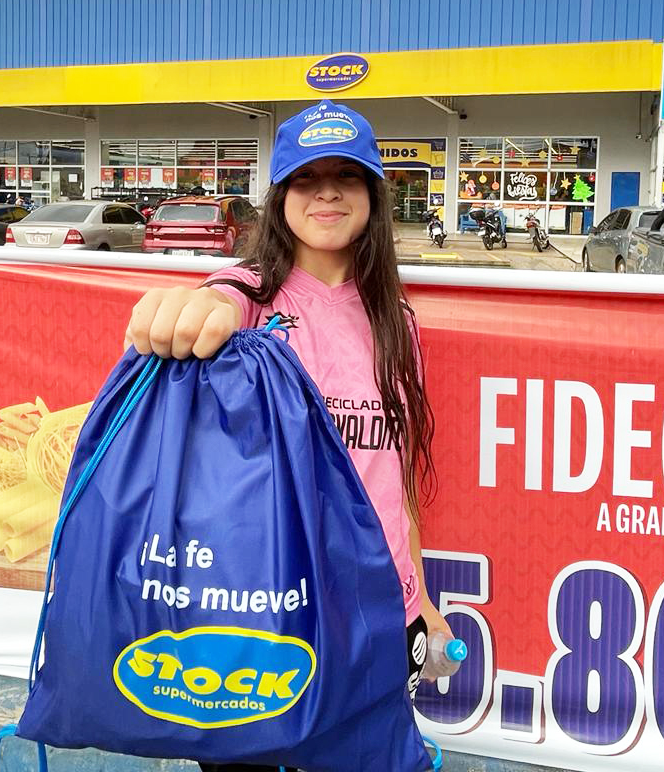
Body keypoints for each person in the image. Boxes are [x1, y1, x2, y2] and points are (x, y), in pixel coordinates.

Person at [124, 100, 453, 772]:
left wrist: (422, 600)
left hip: (379, 611)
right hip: (265, 612)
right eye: (306, 177)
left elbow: (396, 479)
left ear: (372, 196)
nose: (327, 191)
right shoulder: (250, 293)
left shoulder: (399, 320)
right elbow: (211, 302)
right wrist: (187, 309)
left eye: (347, 176)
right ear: (281, 199)